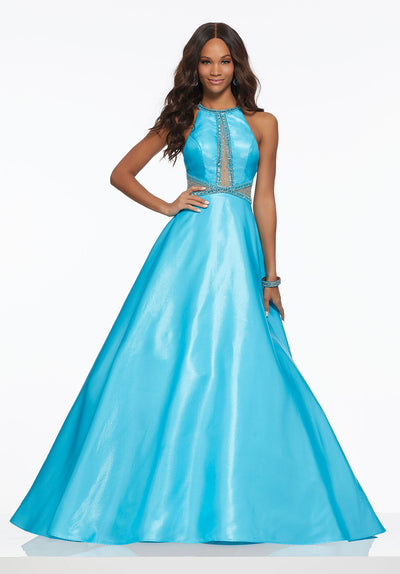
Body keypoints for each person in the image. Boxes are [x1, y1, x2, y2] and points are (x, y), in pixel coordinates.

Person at [10, 22, 385, 546]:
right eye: (206, 61)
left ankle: (241, 501)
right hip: (188, 252)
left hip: (241, 251)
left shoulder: (264, 123)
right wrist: (167, 206)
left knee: (247, 360)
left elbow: (265, 199)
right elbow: (121, 173)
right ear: (194, 66)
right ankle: (152, 499)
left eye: (225, 61)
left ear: (238, 66)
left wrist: (272, 276)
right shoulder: (182, 119)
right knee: (161, 358)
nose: (215, 70)